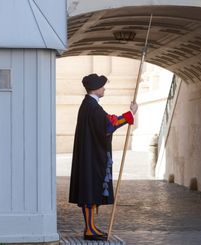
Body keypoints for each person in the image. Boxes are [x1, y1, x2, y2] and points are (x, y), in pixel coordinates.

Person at [68, 73, 138, 241]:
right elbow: (108, 125)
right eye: (102, 86)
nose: (104, 88)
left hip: (90, 155)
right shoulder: (92, 106)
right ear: (96, 88)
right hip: (91, 158)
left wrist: (128, 116)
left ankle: (90, 227)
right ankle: (89, 229)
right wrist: (129, 115)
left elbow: (106, 122)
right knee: (89, 190)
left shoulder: (89, 105)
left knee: (90, 190)